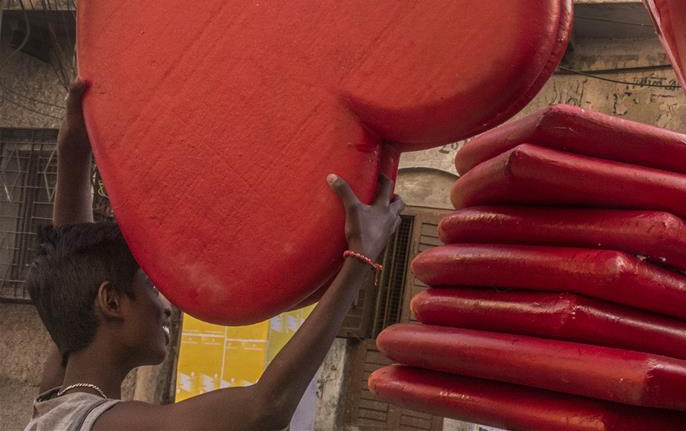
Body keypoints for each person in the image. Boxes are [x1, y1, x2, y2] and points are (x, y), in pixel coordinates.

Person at [25, 80, 405, 430]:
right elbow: (264, 408)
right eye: (151, 287)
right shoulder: (102, 424)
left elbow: (72, 271)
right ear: (111, 301)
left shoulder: (57, 403)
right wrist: (360, 256)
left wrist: (73, 154)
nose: (167, 307)